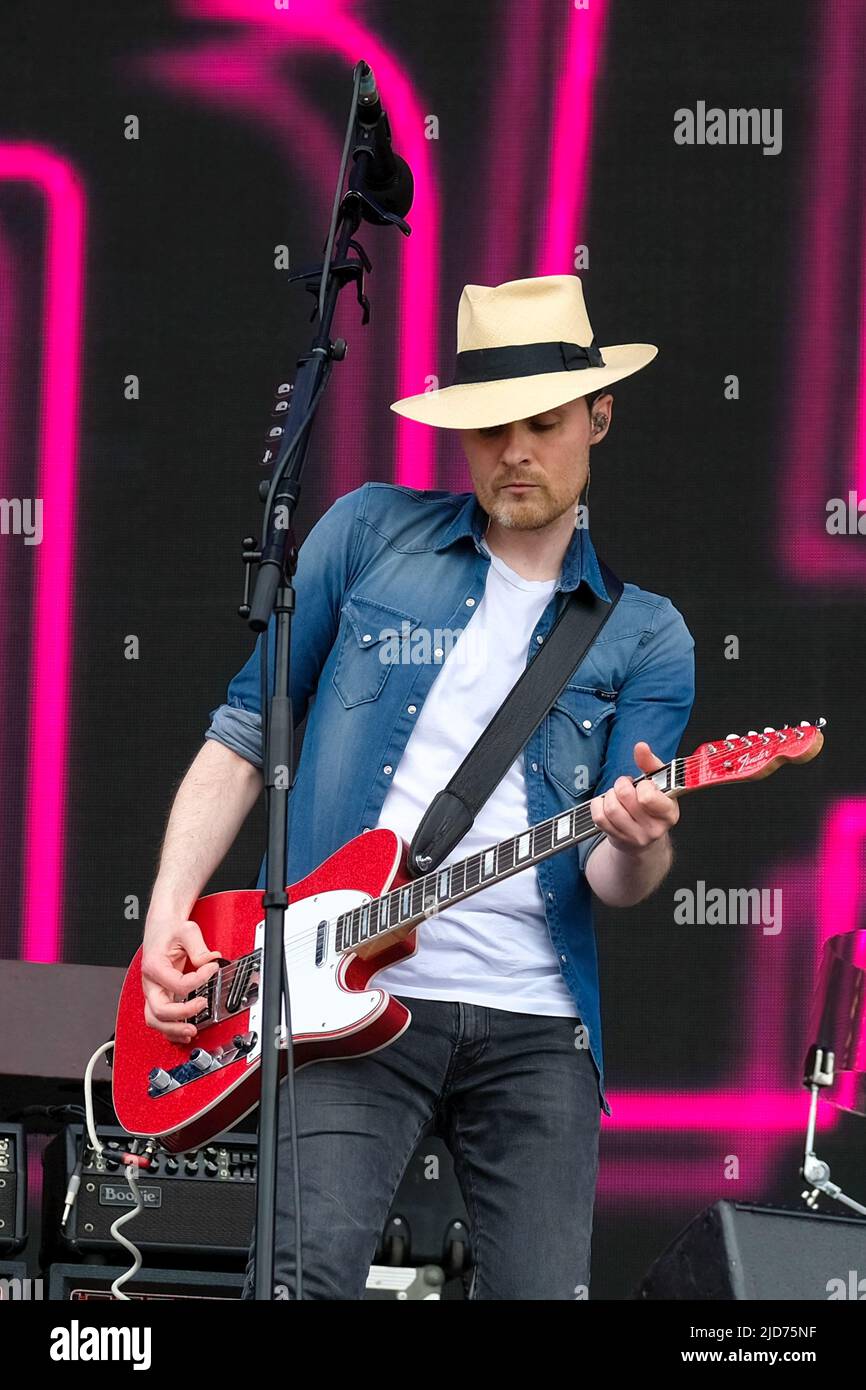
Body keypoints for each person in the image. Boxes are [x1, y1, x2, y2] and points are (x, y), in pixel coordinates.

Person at [140, 274, 695, 1299]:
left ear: (597, 416)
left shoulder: (645, 635)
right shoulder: (365, 535)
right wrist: (166, 914)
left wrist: (638, 834)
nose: (513, 451)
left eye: (541, 423)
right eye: (488, 427)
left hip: (536, 1024)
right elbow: (242, 730)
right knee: (297, 1283)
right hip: (337, 988)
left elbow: (618, 875)